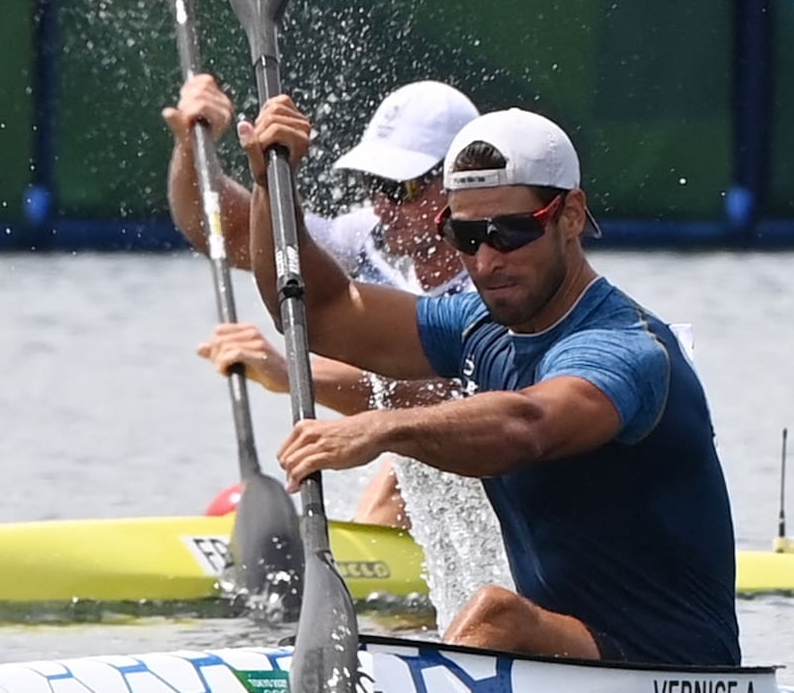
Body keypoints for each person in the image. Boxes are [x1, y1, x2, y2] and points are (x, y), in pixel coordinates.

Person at [236, 98, 740, 665]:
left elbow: (528, 426)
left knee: (496, 615)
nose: (485, 259)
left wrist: (382, 429)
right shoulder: (475, 326)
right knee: (499, 619)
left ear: (571, 215)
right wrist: (270, 186)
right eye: (466, 234)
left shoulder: (624, 348)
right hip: (566, 657)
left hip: (674, 666)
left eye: (510, 232)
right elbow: (320, 311)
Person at [164, 73, 512, 627]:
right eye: (376, 183)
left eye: (402, 189)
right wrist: (196, 148)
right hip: (420, 478)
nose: (383, 204)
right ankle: (368, 563)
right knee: (394, 465)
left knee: (404, 461)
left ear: (458, 187)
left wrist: (291, 373)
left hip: (495, 485)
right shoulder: (364, 239)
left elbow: (442, 404)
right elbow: (223, 234)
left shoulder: (496, 279)